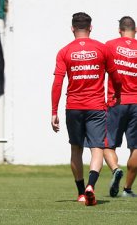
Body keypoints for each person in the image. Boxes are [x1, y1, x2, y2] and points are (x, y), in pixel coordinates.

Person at [51, 12, 122, 206]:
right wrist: (118, 93)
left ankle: (81, 192)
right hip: (96, 107)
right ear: (91, 28)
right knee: (97, 148)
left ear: (72, 28)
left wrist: (53, 111)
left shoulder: (64, 51)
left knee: (76, 148)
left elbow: (58, 83)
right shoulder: (103, 49)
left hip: (73, 107)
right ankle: (92, 186)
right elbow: (116, 77)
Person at [104, 16, 137, 198]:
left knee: (108, 145)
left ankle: (116, 169)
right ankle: (127, 189)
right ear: (135, 30)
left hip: (116, 102)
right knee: (136, 148)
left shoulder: (110, 45)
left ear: (119, 30)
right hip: (136, 102)